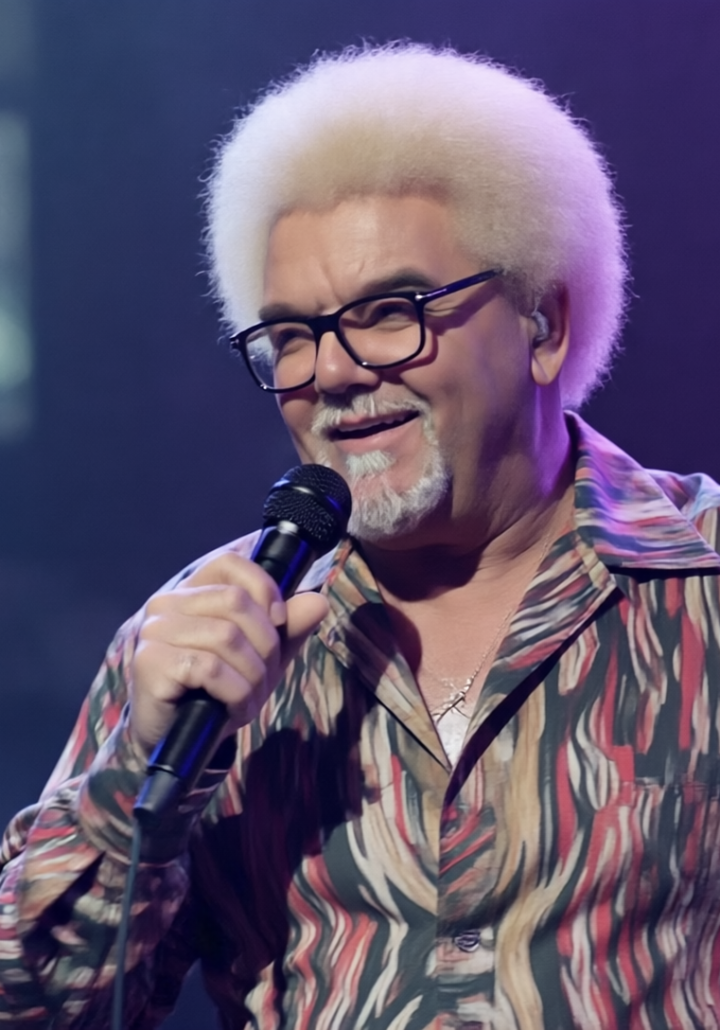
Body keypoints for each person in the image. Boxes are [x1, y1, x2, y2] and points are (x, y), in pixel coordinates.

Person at [2, 42, 720, 1030]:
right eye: (292, 335)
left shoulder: (700, 586)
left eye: (390, 312)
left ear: (544, 324)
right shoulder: (203, 636)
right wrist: (140, 771)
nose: (333, 372)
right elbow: (34, 1007)